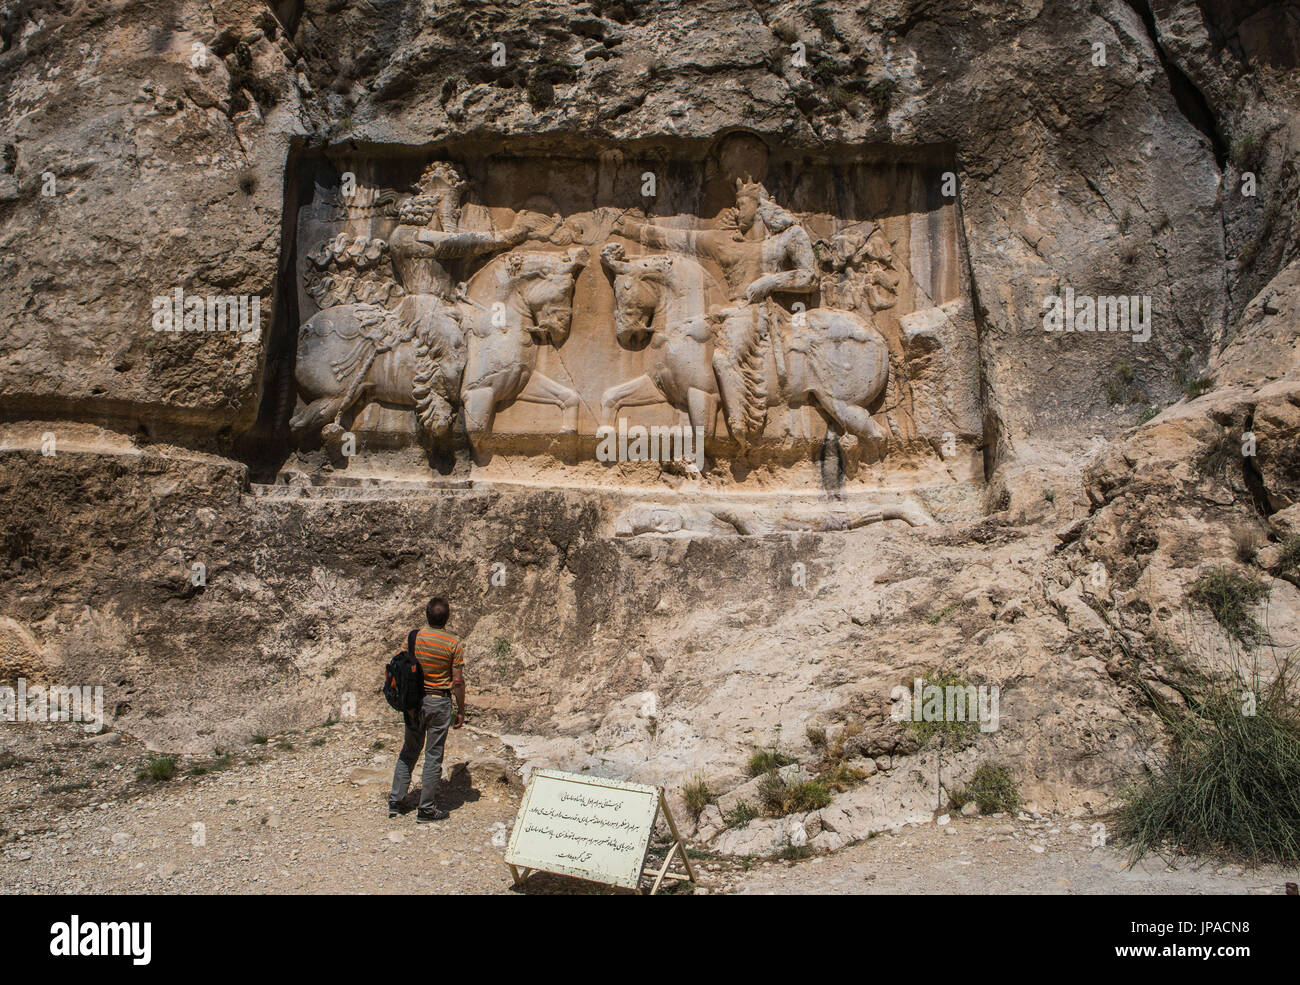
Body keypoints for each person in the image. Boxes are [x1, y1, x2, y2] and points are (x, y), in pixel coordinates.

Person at [388, 596, 466, 822]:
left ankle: (396, 800)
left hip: (413, 701)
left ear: (426, 614)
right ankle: (426, 808)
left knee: (409, 749)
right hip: (439, 701)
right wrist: (460, 709)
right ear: (448, 617)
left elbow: (400, 664)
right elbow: (458, 682)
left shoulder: (413, 637)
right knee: (433, 755)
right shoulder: (453, 643)